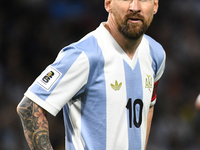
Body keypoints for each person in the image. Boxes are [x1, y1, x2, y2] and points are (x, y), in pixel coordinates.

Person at [17, 0, 166, 149]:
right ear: (108, 3)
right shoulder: (84, 55)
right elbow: (29, 106)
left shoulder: (155, 54)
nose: (135, 7)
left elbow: (148, 107)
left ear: (155, 5)